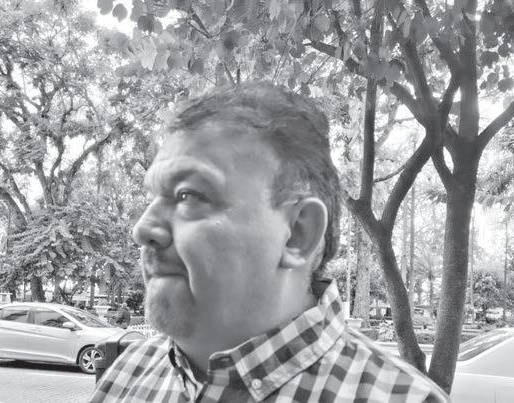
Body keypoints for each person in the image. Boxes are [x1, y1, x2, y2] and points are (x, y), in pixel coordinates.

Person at [90, 82, 448, 402]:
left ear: (297, 234)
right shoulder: (126, 376)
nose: (142, 228)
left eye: (190, 196)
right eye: (153, 197)